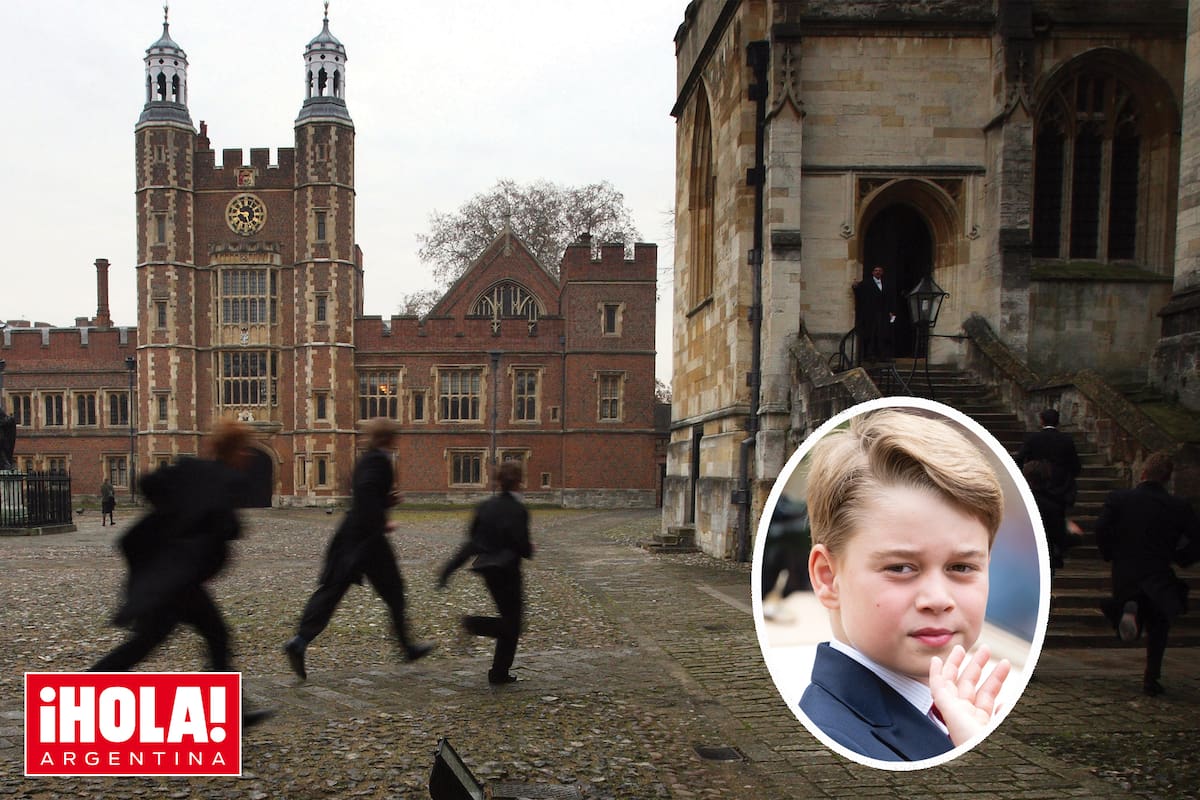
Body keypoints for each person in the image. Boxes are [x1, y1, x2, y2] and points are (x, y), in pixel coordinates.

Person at [800, 408, 1011, 762]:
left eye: (961, 566)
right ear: (828, 577)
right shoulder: (836, 737)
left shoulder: (958, 721)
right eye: (900, 568)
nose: (937, 599)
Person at [90, 419, 271, 726]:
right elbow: (226, 527)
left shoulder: (190, 470)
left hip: (173, 577)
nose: (249, 456)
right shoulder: (227, 480)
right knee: (207, 635)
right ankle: (229, 714)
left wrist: (172, 514)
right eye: (244, 449)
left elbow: (148, 483)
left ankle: (229, 712)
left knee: (162, 639)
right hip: (177, 580)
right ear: (235, 450)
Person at [284, 417, 433, 681]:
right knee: (393, 592)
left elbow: (368, 493)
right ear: (388, 438)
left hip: (353, 537)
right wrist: (382, 520)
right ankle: (407, 648)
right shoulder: (378, 461)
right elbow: (365, 494)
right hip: (367, 541)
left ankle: (300, 640)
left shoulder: (368, 459)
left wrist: (385, 501)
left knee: (332, 591)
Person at [1096, 452, 1200, 696]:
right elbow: (1197, 539)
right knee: (1159, 624)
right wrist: (1181, 558)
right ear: (1167, 478)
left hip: (1126, 569)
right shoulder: (1178, 506)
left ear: (1143, 473)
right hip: (1158, 570)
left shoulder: (1119, 499)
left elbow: (1101, 528)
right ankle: (1151, 677)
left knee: (1129, 603)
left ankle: (1128, 609)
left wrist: (1110, 552)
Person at [438, 461, 533, 685]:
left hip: (488, 571)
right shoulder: (519, 510)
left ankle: (499, 673)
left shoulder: (485, 507)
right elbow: (523, 546)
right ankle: (473, 625)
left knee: (511, 622)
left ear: (498, 481)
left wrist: (448, 570)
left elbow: (472, 542)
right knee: (513, 624)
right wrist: (529, 549)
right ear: (519, 482)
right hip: (508, 571)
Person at [1015, 408, 1081, 510]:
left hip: (1038, 484)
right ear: (1058, 422)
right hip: (1061, 486)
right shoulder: (1066, 440)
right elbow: (1075, 465)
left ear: (1041, 421)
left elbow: (1019, 458)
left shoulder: (1033, 438)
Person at [851, 265, 896, 363]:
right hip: (870, 314)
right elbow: (859, 292)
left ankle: (883, 356)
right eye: (876, 270)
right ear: (872, 272)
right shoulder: (866, 283)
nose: (878, 272)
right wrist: (855, 287)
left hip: (883, 314)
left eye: (880, 270)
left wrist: (891, 312)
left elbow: (890, 298)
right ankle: (869, 355)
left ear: (882, 273)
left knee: (883, 334)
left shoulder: (887, 284)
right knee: (871, 334)